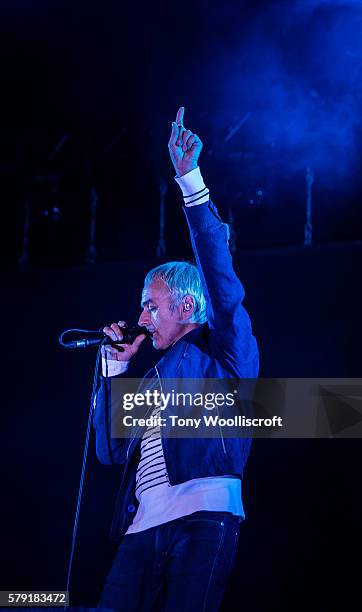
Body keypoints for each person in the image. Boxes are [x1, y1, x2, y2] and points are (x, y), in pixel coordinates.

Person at [93, 107, 259, 612]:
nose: (142, 313)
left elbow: (219, 275)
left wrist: (190, 181)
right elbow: (110, 452)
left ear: (186, 305)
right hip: (141, 527)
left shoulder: (224, 350)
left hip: (204, 517)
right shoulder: (154, 378)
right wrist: (116, 370)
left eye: (151, 303)